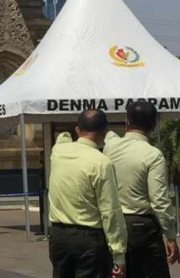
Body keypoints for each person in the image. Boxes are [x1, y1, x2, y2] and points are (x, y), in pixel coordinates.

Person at [103, 101, 179, 277]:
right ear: (154, 125)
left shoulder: (110, 148)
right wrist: (171, 236)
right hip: (143, 227)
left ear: (126, 122)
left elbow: (109, 136)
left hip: (113, 224)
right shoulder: (153, 155)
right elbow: (159, 200)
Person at [48, 109, 127, 278]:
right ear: (104, 132)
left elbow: (62, 137)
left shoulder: (58, 152)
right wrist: (118, 253)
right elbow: (110, 211)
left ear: (77, 130)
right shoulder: (101, 162)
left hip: (59, 235)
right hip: (89, 239)